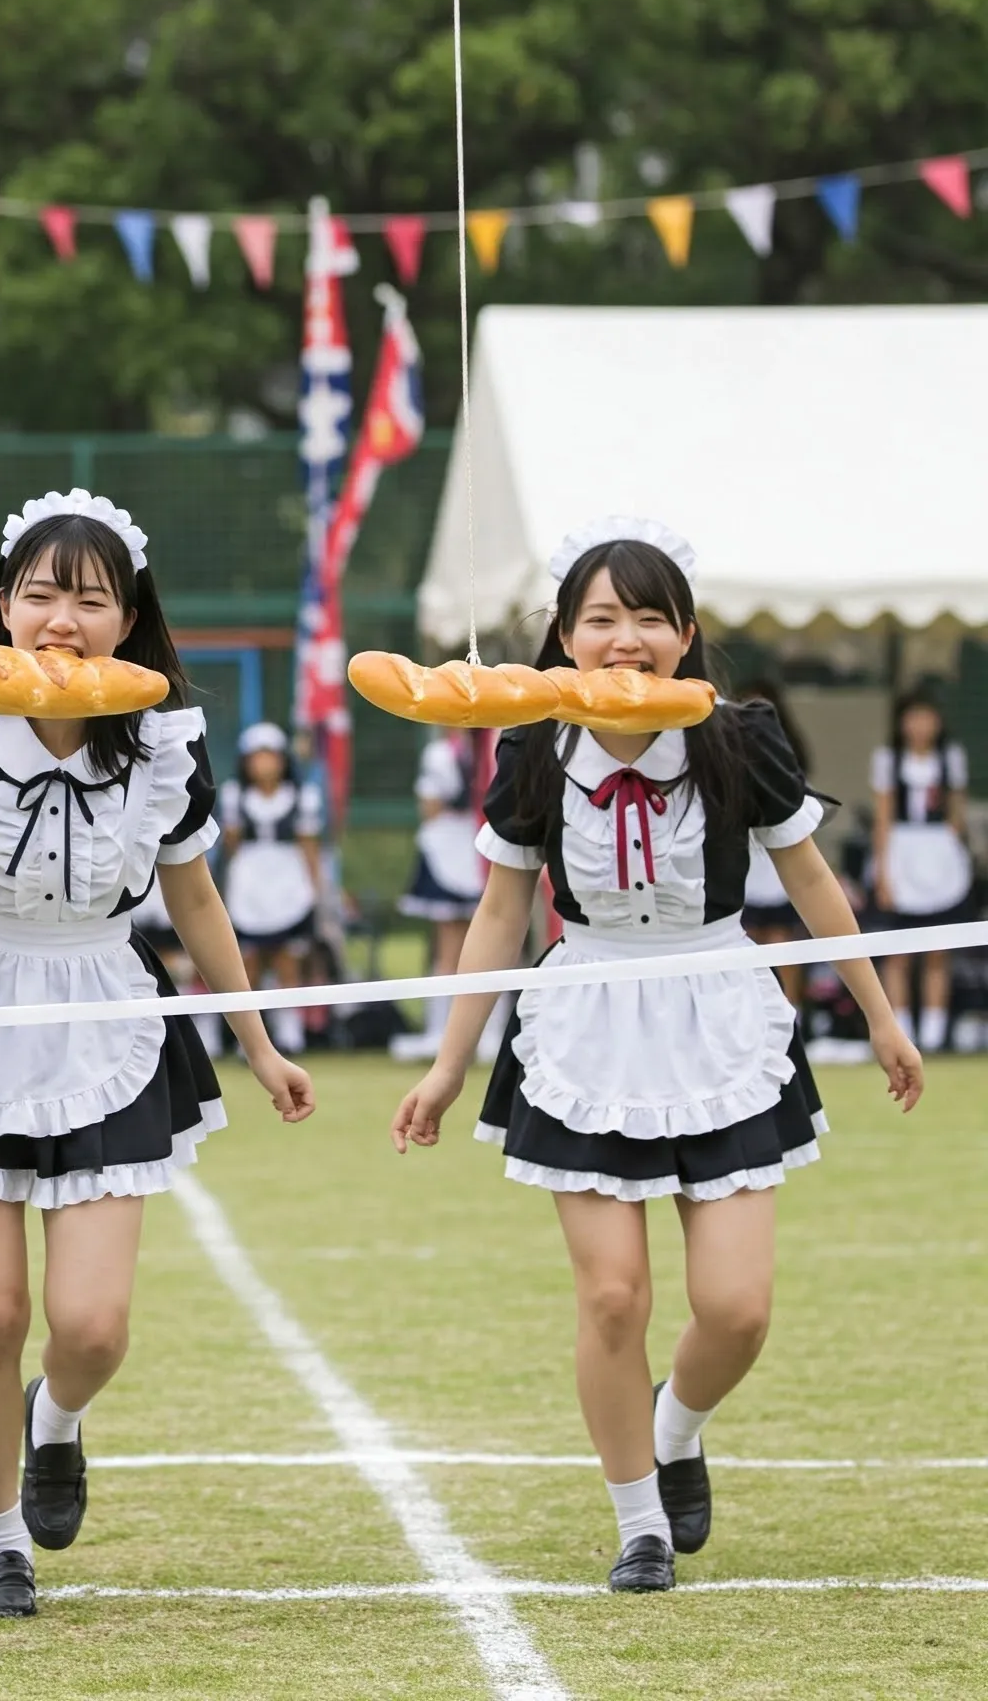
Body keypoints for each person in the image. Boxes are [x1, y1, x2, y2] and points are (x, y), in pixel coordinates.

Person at [391, 520, 922, 1596]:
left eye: (648, 617)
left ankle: (674, 1426)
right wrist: (449, 1062)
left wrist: (879, 1013)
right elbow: (499, 913)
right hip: (585, 1017)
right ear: (562, 635)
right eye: (600, 618)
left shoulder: (738, 736)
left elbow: (811, 882)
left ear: (684, 633)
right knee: (612, 1297)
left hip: (718, 1008)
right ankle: (638, 1521)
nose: (624, 638)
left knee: (736, 1308)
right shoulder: (533, 745)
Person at [0, 489, 315, 1619]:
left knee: (91, 1327)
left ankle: (55, 1418)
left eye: (91, 599)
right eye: (40, 593)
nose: (63, 618)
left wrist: (258, 1042)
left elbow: (196, 901)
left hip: (105, 1005)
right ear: (2, 605)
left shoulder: (164, 740)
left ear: (127, 619)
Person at [871, 689, 975, 1054]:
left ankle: (933, 1033)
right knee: (898, 952)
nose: (920, 726)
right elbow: (883, 817)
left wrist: (952, 848)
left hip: (938, 853)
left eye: (927, 718)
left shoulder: (950, 758)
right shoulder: (889, 759)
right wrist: (883, 871)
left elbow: (957, 810)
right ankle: (900, 1031)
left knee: (937, 951)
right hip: (903, 852)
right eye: (913, 718)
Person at [218, 722, 325, 1053]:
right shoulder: (234, 796)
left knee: (286, 957)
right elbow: (230, 846)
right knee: (247, 959)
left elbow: (309, 845)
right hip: (250, 882)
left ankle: (290, 1032)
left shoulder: (302, 796)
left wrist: (318, 890)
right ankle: (250, 1038)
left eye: (270, 756)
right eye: (256, 757)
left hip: (287, 880)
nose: (264, 764)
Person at [392, 727, 487, 1063]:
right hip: (454, 850)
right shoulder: (444, 754)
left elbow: (430, 806)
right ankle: (442, 1033)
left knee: (484, 948)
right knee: (452, 949)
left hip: (480, 848)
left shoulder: (490, 749)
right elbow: (431, 807)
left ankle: (482, 1034)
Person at [737, 680, 811, 1023]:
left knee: (782, 940)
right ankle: (749, 1016)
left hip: (778, 855)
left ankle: (791, 1013)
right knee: (745, 940)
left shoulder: (788, 758)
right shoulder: (720, 755)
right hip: (743, 857)